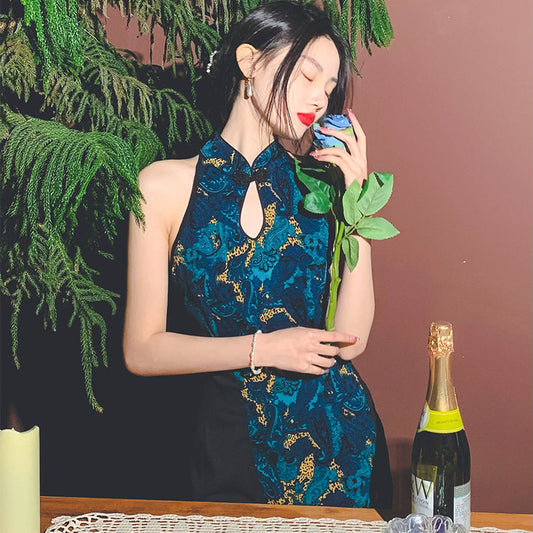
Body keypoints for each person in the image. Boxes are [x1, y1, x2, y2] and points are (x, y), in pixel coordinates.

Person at [123, 0, 392, 507]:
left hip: (341, 448)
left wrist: (355, 204)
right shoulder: (161, 187)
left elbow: (350, 342)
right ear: (249, 62)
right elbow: (141, 351)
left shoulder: (320, 189)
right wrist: (263, 348)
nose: (320, 98)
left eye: (330, 87)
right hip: (225, 447)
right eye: (308, 75)